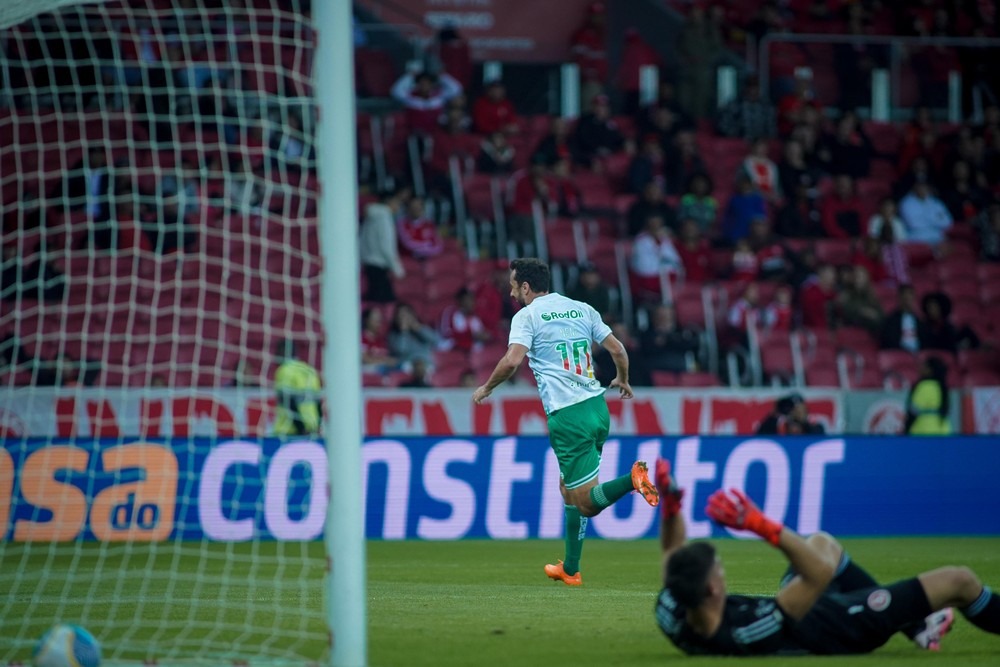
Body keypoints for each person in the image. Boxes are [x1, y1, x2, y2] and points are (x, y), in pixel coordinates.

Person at [652, 458, 1000, 656]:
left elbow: (672, 552)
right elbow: (816, 576)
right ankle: (913, 623)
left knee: (823, 542)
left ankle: (919, 625)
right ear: (712, 589)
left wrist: (670, 506)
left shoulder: (673, 606)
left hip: (801, 609)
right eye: (720, 570)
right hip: (844, 624)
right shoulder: (748, 632)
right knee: (961, 580)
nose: (723, 573)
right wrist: (761, 525)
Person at [472, 258, 659, 586]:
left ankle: (632, 479)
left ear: (526, 287)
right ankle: (571, 570)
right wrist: (623, 380)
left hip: (568, 416)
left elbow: (512, 360)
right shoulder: (581, 308)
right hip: (597, 408)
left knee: (586, 504)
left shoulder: (527, 316)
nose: (512, 292)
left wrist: (487, 387)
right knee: (568, 489)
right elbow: (617, 349)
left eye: (514, 285)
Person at [360, 188, 406, 303]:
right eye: (397, 202)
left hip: (368, 261)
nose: (399, 206)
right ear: (389, 201)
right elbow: (386, 246)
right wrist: (397, 269)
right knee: (384, 300)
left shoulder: (372, 216)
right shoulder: (384, 218)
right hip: (378, 264)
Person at [273, 339, 321, 436]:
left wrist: (301, 429)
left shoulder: (284, 370)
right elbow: (318, 402)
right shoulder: (309, 370)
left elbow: (288, 402)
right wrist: (318, 426)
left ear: (282, 352)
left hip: (289, 430)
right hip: (312, 428)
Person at [905, 356, 951, 435]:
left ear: (930, 370)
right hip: (943, 429)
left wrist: (906, 428)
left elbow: (913, 410)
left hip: (923, 430)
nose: (920, 368)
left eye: (924, 366)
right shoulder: (942, 387)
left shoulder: (924, 385)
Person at [756, 393, 825, 435]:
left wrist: (803, 421)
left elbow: (818, 439)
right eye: (792, 407)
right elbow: (761, 436)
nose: (794, 410)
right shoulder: (779, 426)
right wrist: (774, 415)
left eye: (798, 407)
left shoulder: (816, 427)